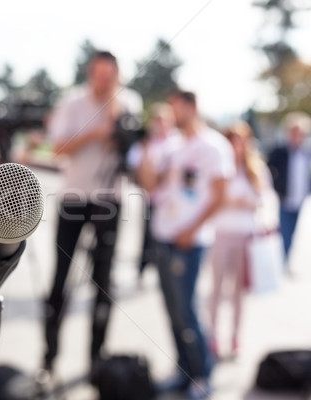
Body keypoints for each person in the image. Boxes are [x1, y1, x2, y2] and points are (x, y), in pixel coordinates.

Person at [43, 50, 142, 375]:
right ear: (90, 74)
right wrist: (94, 133)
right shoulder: (73, 102)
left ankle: (97, 360)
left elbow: (133, 148)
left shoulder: (129, 102)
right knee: (61, 278)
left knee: (103, 282)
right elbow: (57, 148)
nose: (103, 82)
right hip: (74, 197)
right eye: (99, 76)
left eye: (109, 77)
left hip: (109, 199)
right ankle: (50, 356)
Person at [139, 90, 234, 399]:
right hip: (164, 236)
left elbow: (220, 196)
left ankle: (203, 375)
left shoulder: (213, 145)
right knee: (172, 310)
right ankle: (183, 371)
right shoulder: (172, 146)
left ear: (191, 107)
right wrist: (146, 148)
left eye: (176, 107)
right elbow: (150, 184)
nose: (172, 114)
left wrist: (191, 230)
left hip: (188, 242)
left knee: (188, 311)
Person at [208, 121, 272, 359]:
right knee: (216, 288)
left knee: (238, 291)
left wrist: (245, 202)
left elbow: (262, 198)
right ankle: (212, 334)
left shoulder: (255, 168)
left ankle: (235, 336)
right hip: (221, 233)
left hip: (246, 235)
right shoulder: (220, 167)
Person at [129, 102, 176, 284]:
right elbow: (136, 165)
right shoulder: (146, 143)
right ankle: (143, 267)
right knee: (148, 234)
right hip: (151, 198)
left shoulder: (176, 142)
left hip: (170, 201)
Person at [267, 111, 311, 262]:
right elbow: (268, 170)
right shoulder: (280, 152)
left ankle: (284, 260)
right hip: (285, 198)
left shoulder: (306, 152)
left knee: (293, 232)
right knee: (284, 231)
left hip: (300, 199)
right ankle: (281, 262)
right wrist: (276, 188)